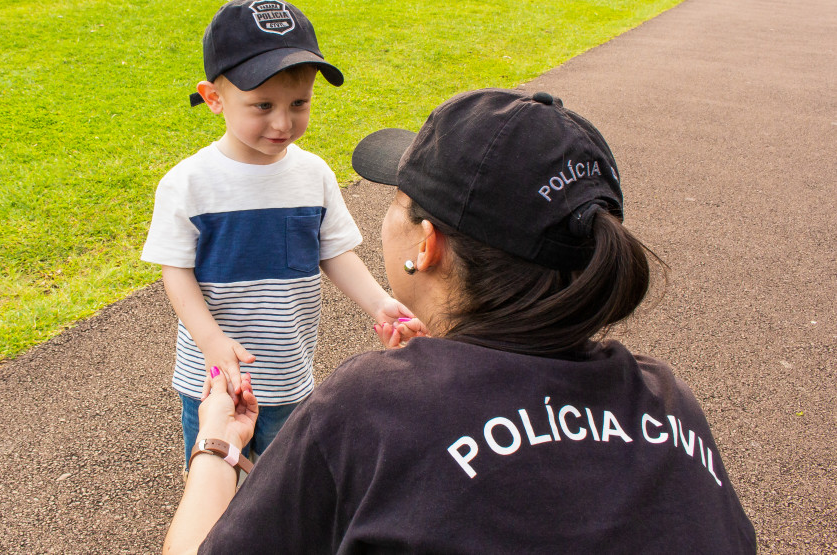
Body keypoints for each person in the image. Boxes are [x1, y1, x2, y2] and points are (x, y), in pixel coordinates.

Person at [163, 88, 757, 553]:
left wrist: (217, 446)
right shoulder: (670, 402)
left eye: (397, 198)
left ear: (426, 244)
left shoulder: (368, 407)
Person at [141, 0, 413, 467]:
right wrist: (211, 341)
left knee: (284, 481)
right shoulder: (188, 183)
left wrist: (379, 303)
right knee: (214, 474)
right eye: (263, 105)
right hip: (216, 379)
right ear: (213, 98)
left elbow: (334, 252)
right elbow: (176, 272)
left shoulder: (313, 174)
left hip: (289, 372)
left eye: (299, 103)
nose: (283, 123)